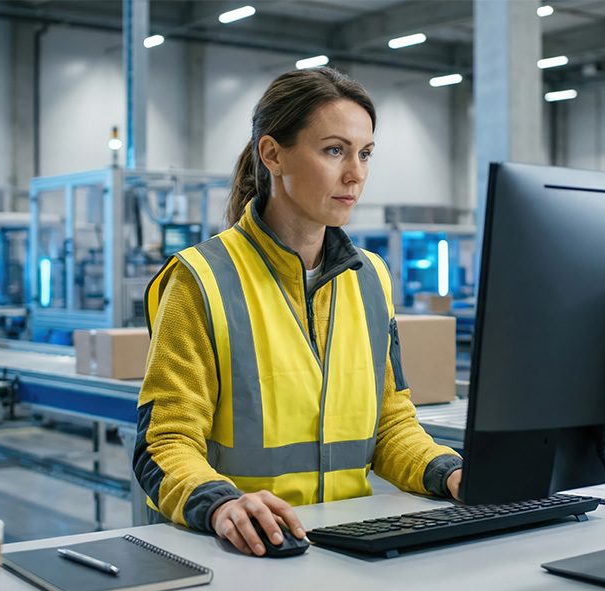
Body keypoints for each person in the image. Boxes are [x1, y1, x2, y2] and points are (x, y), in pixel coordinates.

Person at [133, 67, 461, 556]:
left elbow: (390, 425)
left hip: (350, 549)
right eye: (334, 150)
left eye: (365, 154)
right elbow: (166, 442)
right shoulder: (201, 278)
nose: (356, 174)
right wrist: (223, 504)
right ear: (272, 154)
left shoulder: (369, 277)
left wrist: (451, 472)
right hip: (248, 554)